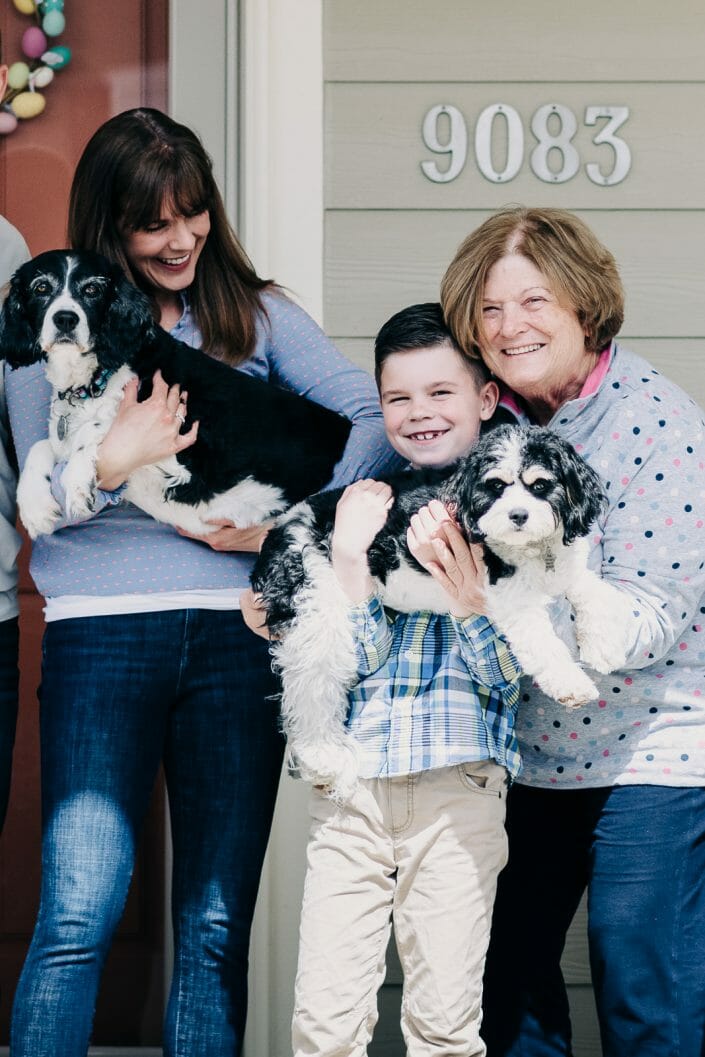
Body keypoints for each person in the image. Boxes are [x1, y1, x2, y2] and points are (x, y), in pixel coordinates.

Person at [5, 107, 402, 1057]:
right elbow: (39, 488)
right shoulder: (55, 317)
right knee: (76, 914)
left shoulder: (252, 313)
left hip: (240, 630)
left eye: (193, 213)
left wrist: (282, 527)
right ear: (110, 223)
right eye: (153, 221)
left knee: (217, 926)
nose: (180, 238)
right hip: (102, 630)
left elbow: (371, 415)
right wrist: (116, 457)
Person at [440, 206, 705, 1057]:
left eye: (532, 301)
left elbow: (659, 610)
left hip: (654, 744)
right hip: (524, 750)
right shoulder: (486, 423)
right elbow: (387, 440)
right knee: (504, 981)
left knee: (641, 981)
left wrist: (526, 611)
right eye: (489, 309)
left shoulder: (658, 423)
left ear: (584, 304)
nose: (509, 326)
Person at [285, 303, 523, 1057]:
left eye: (439, 392)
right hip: (352, 794)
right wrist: (352, 560)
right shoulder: (364, 505)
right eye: (398, 398)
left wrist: (469, 600)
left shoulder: (510, 507)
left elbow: (509, 677)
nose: (418, 413)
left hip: (458, 789)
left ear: (485, 398)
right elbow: (346, 659)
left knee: (444, 1024)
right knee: (325, 1024)